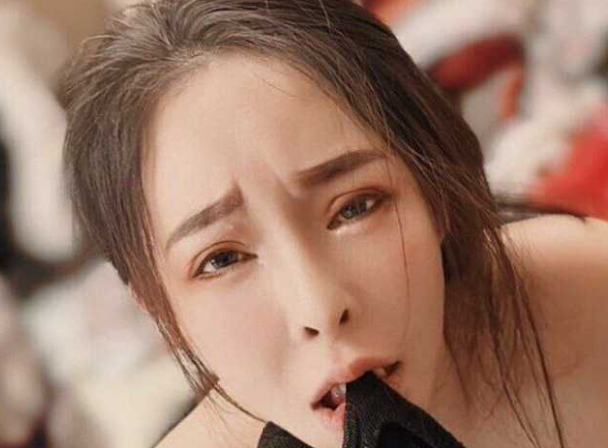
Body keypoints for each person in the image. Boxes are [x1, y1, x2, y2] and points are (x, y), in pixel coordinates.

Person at [59, 1, 608, 447]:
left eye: (354, 208)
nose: (319, 308)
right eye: (222, 259)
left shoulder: (589, 293)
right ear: (161, 311)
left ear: (433, 192)